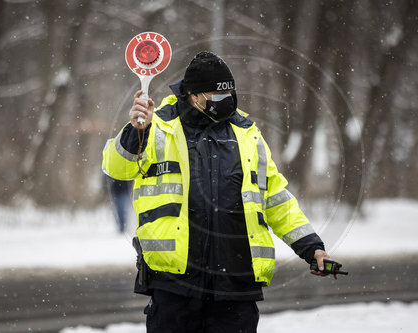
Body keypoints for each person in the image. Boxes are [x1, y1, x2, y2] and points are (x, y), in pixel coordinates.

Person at [102, 51, 338, 333]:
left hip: (236, 285)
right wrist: (135, 130)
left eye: (227, 92)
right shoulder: (158, 126)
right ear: (192, 95)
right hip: (175, 284)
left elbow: (276, 199)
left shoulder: (248, 133)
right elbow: (117, 168)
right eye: (214, 94)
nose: (223, 99)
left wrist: (311, 247)